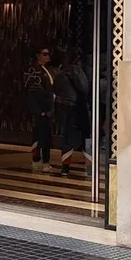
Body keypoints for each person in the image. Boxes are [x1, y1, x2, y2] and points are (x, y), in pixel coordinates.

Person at [53, 49, 91, 178]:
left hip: (66, 109)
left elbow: (55, 90)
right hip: (81, 109)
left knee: (67, 138)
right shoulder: (84, 72)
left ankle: (65, 168)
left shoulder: (61, 74)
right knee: (87, 137)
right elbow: (86, 89)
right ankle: (90, 168)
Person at [24, 45, 55, 173]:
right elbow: (33, 92)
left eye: (48, 54)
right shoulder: (34, 70)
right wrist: (39, 110)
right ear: (38, 55)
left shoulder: (46, 70)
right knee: (40, 135)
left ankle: (43, 160)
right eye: (44, 54)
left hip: (47, 108)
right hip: (41, 109)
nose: (47, 56)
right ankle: (39, 160)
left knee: (45, 135)